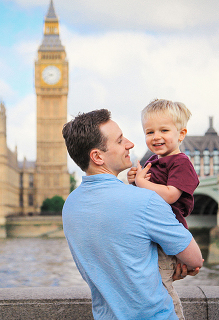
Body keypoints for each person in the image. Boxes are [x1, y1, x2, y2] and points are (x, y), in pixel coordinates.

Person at [62, 109, 203, 320]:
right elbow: (194, 258)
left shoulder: (70, 205)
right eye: (120, 141)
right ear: (97, 156)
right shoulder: (145, 200)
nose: (130, 144)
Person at [127, 99, 200, 319]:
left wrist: (142, 183)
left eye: (164, 130)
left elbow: (170, 195)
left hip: (166, 235)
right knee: (150, 286)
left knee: (160, 288)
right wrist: (133, 180)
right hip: (152, 235)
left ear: (181, 134)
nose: (156, 136)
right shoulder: (154, 161)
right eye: (149, 132)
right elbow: (145, 194)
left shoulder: (181, 163)